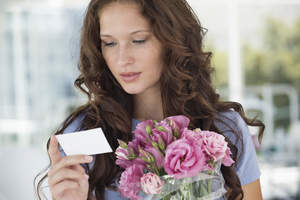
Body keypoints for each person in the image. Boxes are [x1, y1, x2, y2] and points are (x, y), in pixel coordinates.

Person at [35, 0, 265, 199]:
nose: (122, 58)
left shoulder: (225, 130)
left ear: (172, 41)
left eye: (139, 40)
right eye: (110, 43)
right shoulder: (82, 135)